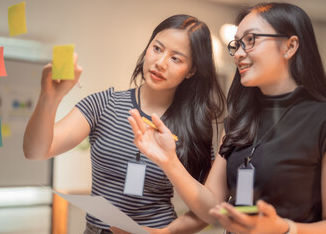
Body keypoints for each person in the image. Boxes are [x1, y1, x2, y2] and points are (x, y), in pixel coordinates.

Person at [128, 2, 326, 234]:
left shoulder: (320, 118)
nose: (239, 53)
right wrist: (169, 160)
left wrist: (285, 228)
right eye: (238, 44)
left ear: (289, 46)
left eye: (251, 40)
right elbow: (211, 207)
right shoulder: (239, 120)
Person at [23, 14, 225, 234]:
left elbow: (209, 209)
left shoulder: (193, 126)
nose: (160, 62)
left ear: (192, 71)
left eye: (176, 58)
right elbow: (35, 151)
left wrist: (165, 233)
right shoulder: (103, 105)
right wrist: (49, 99)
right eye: (157, 48)